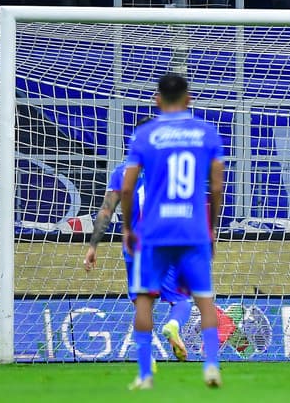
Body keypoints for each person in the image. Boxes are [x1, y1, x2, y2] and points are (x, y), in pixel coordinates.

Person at [119, 73, 226, 390]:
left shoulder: (145, 135)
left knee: (144, 299)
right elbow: (217, 186)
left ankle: (145, 374)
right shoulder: (206, 133)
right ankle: (211, 366)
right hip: (192, 228)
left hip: (154, 231)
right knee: (203, 299)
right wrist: (211, 228)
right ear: (189, 99)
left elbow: (127, 188)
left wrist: (127, 227)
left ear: (157, 99)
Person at [82, 123, 190, 363]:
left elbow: (106, 211)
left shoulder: (121, 172)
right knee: (181, 299)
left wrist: (92, 246)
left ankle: (146, 357)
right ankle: (173, 325)